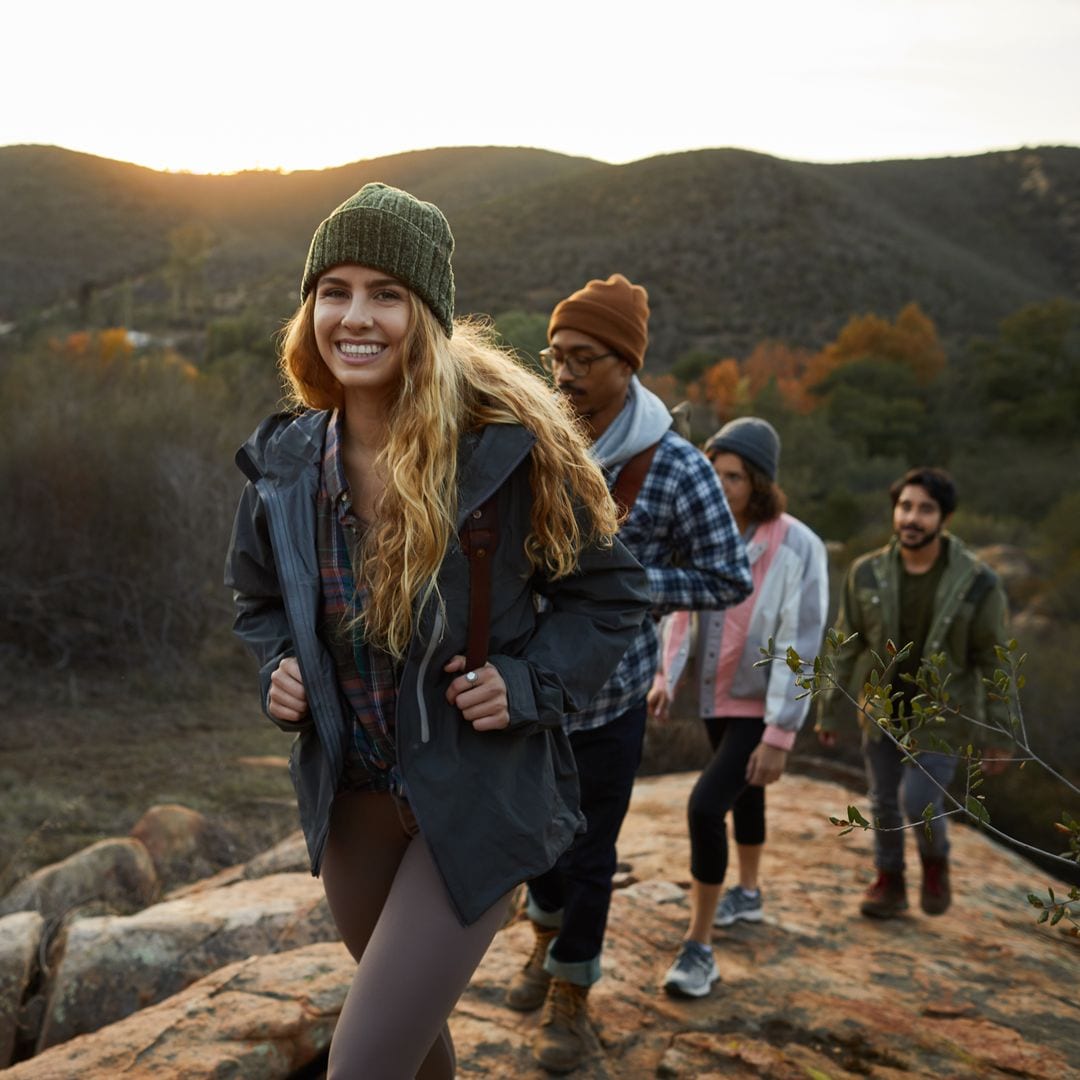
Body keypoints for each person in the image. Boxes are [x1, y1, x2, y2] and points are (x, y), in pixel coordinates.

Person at [224, 184, 651, 1080]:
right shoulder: (287, 461)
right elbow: (258, 598)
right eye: (334, 289)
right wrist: (277, 669)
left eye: (386, 293)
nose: (356, 316)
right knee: (412, 1053)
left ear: (427, 314)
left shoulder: (508, 451)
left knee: (361, 1063)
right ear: (310, 308)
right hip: (353, 800)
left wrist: (530, 684)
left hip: (477, 798)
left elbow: (613, 598)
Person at [504, 273, 753, 1072]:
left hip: (610, 702)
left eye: (582, 357)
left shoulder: (678, 468)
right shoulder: (530, 438)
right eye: (556, 355)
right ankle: (541, 944)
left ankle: (573, 994)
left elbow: (728, 576)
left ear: (626, 364)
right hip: (523, 694)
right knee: (529, 844)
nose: (563, 373)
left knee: (591, 851)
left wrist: (635, 588)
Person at [648, 417, 829, 998]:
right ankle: (747, 893)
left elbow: (804, 638)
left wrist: (780, 733)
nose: (721, 485)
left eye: (734, 475)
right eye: (714, 471)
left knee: (705, 807)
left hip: (761, 703)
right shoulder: (700, 529)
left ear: (760, 482)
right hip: (712, 695)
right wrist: (665, 675)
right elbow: (681, 609)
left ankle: (699, 947)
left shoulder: (797, 544)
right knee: (744, 793)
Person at [815, 466, 1010, 919]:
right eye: (905, 507)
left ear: (945, 518)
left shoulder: (978, 583)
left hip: (942, 717)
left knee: (919, 801)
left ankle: (934, 861)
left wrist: (1001, 733)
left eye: (925, 509)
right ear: (894, 511)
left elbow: (996, 659)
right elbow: (845, 643)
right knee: (882, 801)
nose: (912, 518)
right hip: (881, 710)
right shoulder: (866, 574)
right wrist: (828, 709)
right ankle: (890, 882)